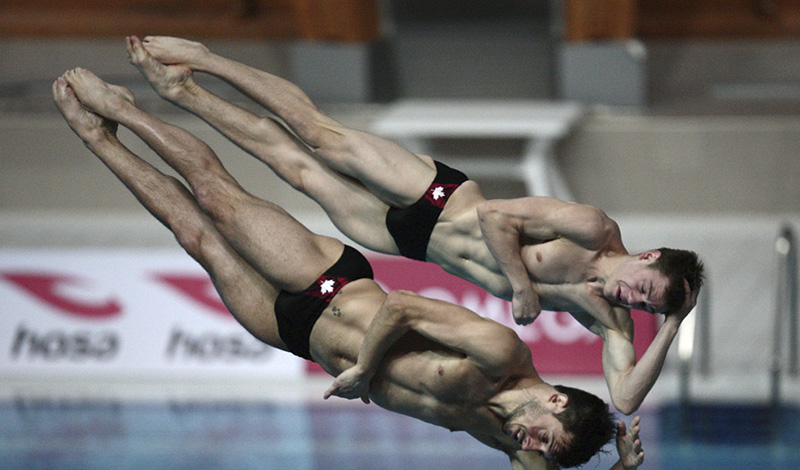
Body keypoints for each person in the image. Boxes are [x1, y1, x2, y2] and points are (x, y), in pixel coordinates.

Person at [52, 67, 646, 470]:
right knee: (216, 198)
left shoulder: (510, 437)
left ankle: (98, 141)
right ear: (559, 401)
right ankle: (123, 112)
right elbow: (403, 306)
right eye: (544, 437)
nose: (530, 445)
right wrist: (363, 371)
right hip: (330, 285)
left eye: (540, 452)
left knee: (196, 237)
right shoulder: (500, 353)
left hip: (301, 339)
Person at [126, 35, 703, 415]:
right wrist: (522, 285)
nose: (634, 299)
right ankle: (202, 60)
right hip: (439, 197)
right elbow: (495, 215)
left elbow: (625, 399)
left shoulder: (611, 320)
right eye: (646, 290)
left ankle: (183, 94)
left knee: (298, 170)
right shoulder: (592, 229)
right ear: (647, 255)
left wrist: (672, 326)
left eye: (648, 307)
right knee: (316, 132)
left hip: (412, 243)